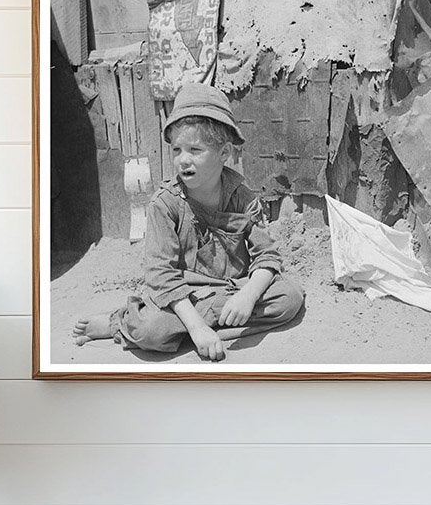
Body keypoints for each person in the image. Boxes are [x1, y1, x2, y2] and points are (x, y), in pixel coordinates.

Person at [73, 82, 305, 362]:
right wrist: (196, 327)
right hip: (182, 297)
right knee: (151, 331)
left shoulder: (242, 197)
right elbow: (161, 275)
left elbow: (266, 256)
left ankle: (200, 326)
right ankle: (119, 323)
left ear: (224, 153)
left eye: (195, 150)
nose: (183, 160)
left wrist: (248, 297)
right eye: (177, 150)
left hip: (231, 288)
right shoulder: (165, 204)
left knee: (289, 298)